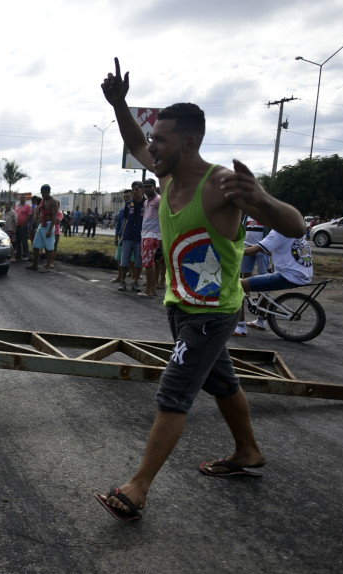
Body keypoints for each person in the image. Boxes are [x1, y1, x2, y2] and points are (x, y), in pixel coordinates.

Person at [95, 58, 306, 521]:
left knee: (174, 393)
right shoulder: (166, 175)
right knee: (222, 381)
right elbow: (132, 139)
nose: (151, 147)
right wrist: (121, 105)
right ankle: (248, 452)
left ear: (188, 143)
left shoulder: (223, 186)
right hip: (181, 307)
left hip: (212, 314)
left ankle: (137, 488)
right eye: (153, 140)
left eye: (161, 139)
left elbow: (294, 225)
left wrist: (263, 198)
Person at [234, 230, 313, 336]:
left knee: (239, 285)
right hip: (303, 275)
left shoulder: (278, 232)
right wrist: (260, 249)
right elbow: (278, 251)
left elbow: (251, 252)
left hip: (286, 276)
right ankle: (261, 321)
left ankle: (240, 327)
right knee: (261, 284)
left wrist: (231, 250)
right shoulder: (295, 231)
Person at [27, 184, 59, 273]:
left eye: (45, 192)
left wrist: (50, 230)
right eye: (42, 193)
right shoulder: (43, 201)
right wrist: (37, 226)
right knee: (35, 245)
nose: (43, 194)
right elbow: (41, 214)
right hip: (41, 225)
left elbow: (54, 217)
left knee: (49, 247)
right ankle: (35, 265)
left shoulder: (54, 202)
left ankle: (48, 266)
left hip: (49, 225)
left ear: (49, 192)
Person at [139, 178, 162, 297]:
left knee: (148, 264)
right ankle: (152, 289)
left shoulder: (158, 200)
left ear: (154, 186)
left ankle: (148, 289)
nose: (147, 189)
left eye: (149, 186)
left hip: (153, 235)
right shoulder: (146, 202)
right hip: (145, 234)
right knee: (150, 263)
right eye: (145, 187)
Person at [14, 195, 33, 260]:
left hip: (23, 226)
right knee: (17, 241)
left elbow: (29, 216)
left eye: (23, 197)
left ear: (25, 199)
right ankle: (18, 254)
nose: (22, 199)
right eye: (21, 197)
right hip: (17, 226)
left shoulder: (28, 206)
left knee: (24, 240)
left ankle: (25, 255)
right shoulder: (17, 206)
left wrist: (24, 224)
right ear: (19, 198)